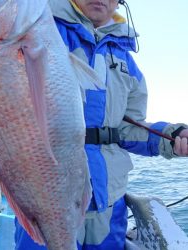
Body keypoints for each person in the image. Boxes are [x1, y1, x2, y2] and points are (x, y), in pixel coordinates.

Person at [14, 0, 188, 249]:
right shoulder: (43, 27)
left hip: (108, 201)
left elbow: (129, 129)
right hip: (45, 194)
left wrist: (173, 136)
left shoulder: (127, 61)